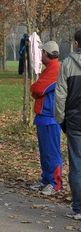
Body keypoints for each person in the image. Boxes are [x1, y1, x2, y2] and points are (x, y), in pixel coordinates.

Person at [29, 41, 62, 196]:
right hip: (44, 116)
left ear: (47, 54)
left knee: (52, 152)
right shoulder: (48, 69)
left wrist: (35, 89)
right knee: (44, 152)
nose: (40, 54)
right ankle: (46, 179)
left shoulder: (54, 70)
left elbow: (38, 89)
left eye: (42, 52)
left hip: (50, 116)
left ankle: (55, 183)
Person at [55, 29, 81, 220]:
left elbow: (60, 95)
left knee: (77, 164)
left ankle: (78, 207)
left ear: (76, 44)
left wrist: (60, 119)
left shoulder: (67, 64)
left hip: (74, 120)